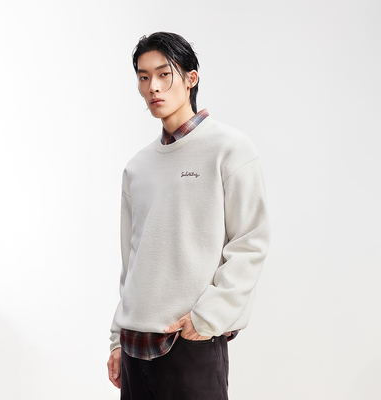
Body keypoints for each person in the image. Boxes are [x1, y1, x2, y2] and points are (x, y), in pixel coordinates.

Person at [107, 31, 270, 400]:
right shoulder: (137, 167)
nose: (153, 87)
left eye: (164, 74)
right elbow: (132, 261)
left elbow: (251, 240)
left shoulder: (229, 149)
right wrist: (117, 338)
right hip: (134, 346)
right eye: (143, 76)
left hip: (191, 343)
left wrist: (208, 316)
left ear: (191, 78)